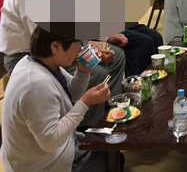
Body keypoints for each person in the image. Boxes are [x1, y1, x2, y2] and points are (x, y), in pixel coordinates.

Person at [0, 0, 125, 127]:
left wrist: (104, 39)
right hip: (30, 55)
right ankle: (87, 127)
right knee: (97, 72)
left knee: (116, 56)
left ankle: (110, 109)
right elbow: (47, 38)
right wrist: (84, 52)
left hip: (58, 46)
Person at [1, 27, 113, 172]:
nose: (80, 49)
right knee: (109, 158)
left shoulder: (41, 62)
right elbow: (50, 142)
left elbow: (72, 93)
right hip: (42, 165)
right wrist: (86, 103)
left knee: (109, 147)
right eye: (77, 44)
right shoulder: (35, 84)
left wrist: (83, 72)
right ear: (56, 46)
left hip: (58, 147)